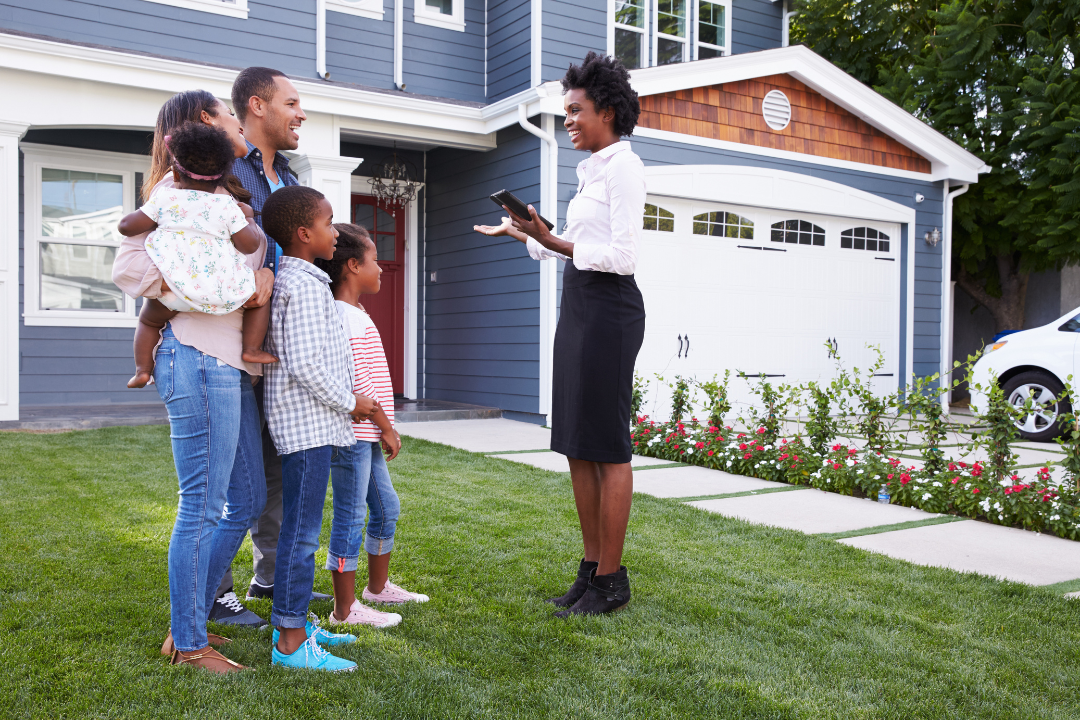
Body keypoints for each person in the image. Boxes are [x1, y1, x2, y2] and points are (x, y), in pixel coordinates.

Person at [474, 52, 646, 616]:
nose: (568, 119)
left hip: (610, 311)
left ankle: (613, 580)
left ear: (608, 112)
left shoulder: (623, 164)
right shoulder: (590, 168)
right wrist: (525, 232)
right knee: (575, 443)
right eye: (565, 111)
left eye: (576, 110)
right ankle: (591, 569)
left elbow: (620, 255)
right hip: (578, 305)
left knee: (606, 446)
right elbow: (569, 243)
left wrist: (550, 242)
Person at [112, 89, 275, 671]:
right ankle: (187, 643)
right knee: (203, 504)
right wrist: (196, 288)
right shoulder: (170, 197)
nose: (238, 122)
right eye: (230, 115)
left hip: (228, 359)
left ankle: (192, 618)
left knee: (247, 498)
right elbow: (129, 267)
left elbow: (242, 258)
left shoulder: (221, 199)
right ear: (206, 127)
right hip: (197, 355)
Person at [261, 186, 379, 671]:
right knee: (302, 536)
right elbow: (306, 363)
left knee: (300, 531)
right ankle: (290, 641)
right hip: (306, 428)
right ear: (305, 234)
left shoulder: (302, 279)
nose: (336, 233)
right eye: (330, 224)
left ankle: (295, 623)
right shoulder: (306, 285)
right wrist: (353, 401)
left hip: (310, 425)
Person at [312, 224, 429, 628]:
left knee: (386, 508)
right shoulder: (344, 318)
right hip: (351, 436)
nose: (381, 268)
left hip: (365, 434)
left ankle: (376, 589)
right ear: (352, 265)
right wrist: (387, 427)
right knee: (350, 517)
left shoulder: (356, 313)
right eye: (375, 260)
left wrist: (380, 429)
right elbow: (357, 384)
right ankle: (344, 610)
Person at [119, 121, 277, 389]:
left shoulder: (166, 199)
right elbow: (249, 245)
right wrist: (248, 218)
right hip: (224, 293)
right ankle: (251, 348)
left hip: (174, 293)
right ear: (223, 177)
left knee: (148, 320)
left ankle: (143, 369)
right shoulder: (227, 206)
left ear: (176, 175)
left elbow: (127, 227)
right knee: (261, 297)